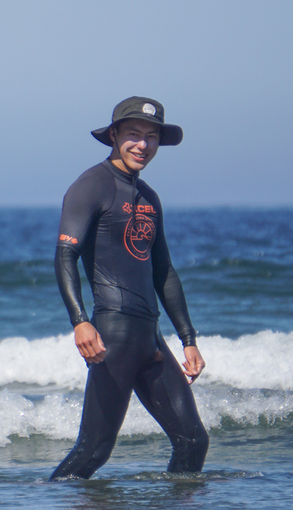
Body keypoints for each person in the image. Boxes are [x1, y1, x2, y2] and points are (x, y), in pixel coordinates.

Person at [51, 96, 209, 480]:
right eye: (134, 134)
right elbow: (64, 256)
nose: (143, 145)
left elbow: (164, 271)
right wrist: (80, 321)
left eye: (152, 137)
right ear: (115, 135)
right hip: (114, 336)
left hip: (151, 340)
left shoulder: (149, 198)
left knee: (194, 441)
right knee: (94, 450)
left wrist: (187, 338)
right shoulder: (91, 186)